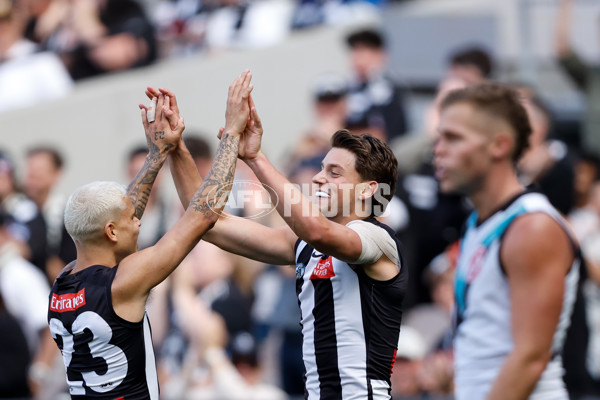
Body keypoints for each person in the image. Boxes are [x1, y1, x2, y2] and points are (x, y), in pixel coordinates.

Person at [163, 84, 407, 398]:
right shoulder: (304, 244)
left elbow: (316, 229)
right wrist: (175, 149)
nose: (318, 178)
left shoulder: (378, 238)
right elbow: (209, 223)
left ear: (367, 190)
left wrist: (255, 157)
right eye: (321, 169)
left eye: (334, 172)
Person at [47, 70, 253, 398]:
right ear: (111, 232)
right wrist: (231, 133)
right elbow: (202, 215)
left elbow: (118, 215)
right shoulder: (127, 280)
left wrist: (157, 155)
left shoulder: (62, 283)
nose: (139, 222)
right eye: (132, 220)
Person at [433, 83, 580, 399]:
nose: (438, 149)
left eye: (454, 138)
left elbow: (530, 359)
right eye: (439, 137)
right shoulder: (478, 222)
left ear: (499, 145)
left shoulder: (532, 226)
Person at [344, 28, 408, 141]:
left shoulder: (390, 90)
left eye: (362, 51)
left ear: (379, 54)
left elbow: (388, 133)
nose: (356, 58)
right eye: (354, 51)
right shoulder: (349, 89)